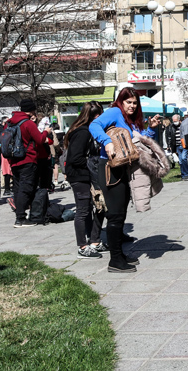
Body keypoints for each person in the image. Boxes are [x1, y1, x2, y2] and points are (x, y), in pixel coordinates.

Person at [90, 87, 160, 272]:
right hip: (109, 169)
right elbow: (93, 125)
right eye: (128, 102)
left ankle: (119, 254)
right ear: (121, 102)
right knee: (114, 215)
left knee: (120, 214)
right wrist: (107, 142)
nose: (132, 106)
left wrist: (151, 129)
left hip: (123, 169)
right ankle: (114, 261)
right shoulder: (114, 112)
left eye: (135, 103)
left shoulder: (131, 120)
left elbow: (140, 143)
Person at [64, 101, 105, 259]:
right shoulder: (83, 132)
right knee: (82, 210)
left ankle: (95, 240)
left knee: (101, 206)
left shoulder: (88, 130)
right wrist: (93, 165)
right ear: (95, 116)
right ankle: (82, 246)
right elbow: (75, 158)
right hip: (80, 176)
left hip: (90, 176)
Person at [7, 99, 53, 228]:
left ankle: (21, 214)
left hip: (14, 159)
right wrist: (46, 132)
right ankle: (20, 218)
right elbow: (39, 140)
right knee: (26, 188)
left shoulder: (10, 122)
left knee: (17, 187)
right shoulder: (27, 123)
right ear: (32, 110)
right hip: (28, 159)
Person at [164, 114, 188, 181]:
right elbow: (170, 137)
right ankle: (183, 174)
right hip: (177, 146)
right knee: (181, 161)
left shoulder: (183, 126)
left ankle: (186, 174)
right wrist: (169, 146)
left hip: (184, 145)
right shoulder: (172, 127)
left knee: (184, 158)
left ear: (179, 120)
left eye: (175, 121)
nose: (174, 122)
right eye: (173, 121)